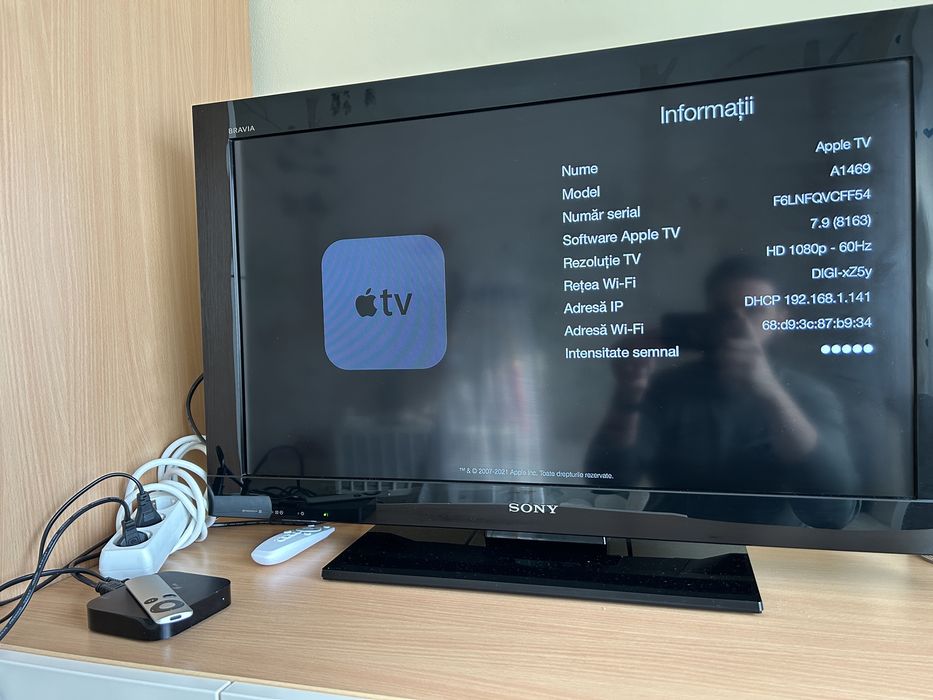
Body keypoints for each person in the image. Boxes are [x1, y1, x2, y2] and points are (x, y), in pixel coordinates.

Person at [586, 256, 857, 524]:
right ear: (708, 319)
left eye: (754, 309)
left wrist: (772, 394)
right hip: (673, 538)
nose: (739, 325)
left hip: (774, 543)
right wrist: (628, 394)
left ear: (781, 321)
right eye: (724, 313)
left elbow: (833, 514)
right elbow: (607, 481)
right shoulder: (663, 388)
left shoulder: (811, 395)